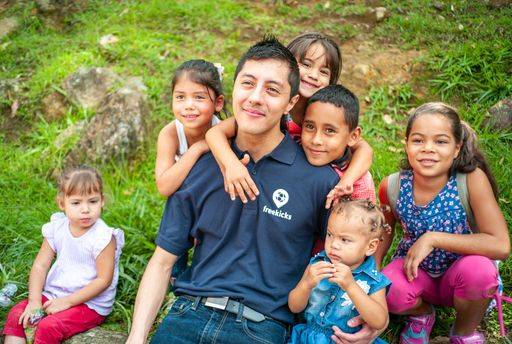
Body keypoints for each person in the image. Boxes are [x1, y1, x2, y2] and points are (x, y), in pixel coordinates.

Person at [126, 36, 347, 344]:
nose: (255, 98)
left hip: (261, 328)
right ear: (232, 90)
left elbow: (347, 255)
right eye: (247, 83)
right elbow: (163, 262)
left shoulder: (318, 180)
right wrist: (136, 337)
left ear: (291, 102)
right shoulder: (198, 166)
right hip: (187, 316)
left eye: (272, 90)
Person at [375, 102, 510, 344]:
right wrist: (371, 272)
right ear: (406, 145)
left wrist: (433, 238)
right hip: (415, 272)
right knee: (388, 289)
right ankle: (422, 314)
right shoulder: (392, 186)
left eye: (440, 141)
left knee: (480, 272)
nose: (428, 149)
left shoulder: (470, 181)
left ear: (457, 148)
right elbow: (383, 233)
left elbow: (501, 245)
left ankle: (464, 331)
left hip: (463, 275)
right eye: (418, 140)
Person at [205, 32, 374, 204]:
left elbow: (364, 149)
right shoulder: (269, 110)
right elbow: (215, 133)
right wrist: (231, 164)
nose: (314, 75)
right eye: (306, 65)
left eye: (324, 71)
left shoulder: (328, 114)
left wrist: (348, 180)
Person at [3, 166, 124, 344]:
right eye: (76, 203)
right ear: (62, 204)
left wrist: (68, 301)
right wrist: (35, 300)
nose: (85, 209)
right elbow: (40, 265)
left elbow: (103, 280)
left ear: (102, 201)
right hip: (55, 294)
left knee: (48, 327)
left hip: (89, 304)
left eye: (92, 201)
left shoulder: (103, 237)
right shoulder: (58, 227)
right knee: (17, 315)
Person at [154, 59, 224, 280]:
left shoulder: (224, 130)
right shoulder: (171, 133)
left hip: (216, 203)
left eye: (199, 97)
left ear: (218, 103)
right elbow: (164, 186)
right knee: (175, 253)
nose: (189, 105)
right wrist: (197, 150)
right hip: (182, 203)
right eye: (180, 97)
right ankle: (175, 284)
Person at [288, 199, 391, 344]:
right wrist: (306, 284)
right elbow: (294, 307)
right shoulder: (317, 264)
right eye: (330, 235)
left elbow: (379, 321)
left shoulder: (373, 280)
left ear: (370, 246)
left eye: (344, 240)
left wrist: (351, 286)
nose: (333, 244)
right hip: (310, 338)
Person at [299, 84, 376, 255]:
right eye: (310, 127)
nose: (316, 140)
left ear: (353, 136)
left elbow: (365, 235)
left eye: (329, 131)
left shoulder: (358, 184)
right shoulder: (295, 151)